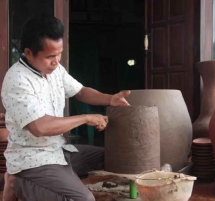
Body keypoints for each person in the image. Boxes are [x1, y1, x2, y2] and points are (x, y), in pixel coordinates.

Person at [1, 15, 131, 201]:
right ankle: (18, 182)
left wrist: (111, 99)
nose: (56, 61)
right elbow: (40, 127)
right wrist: (86, 118)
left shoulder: (55, 70)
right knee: (83, 199)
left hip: (58, 151)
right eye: (50, 56)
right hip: (31, 159)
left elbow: (80, 91)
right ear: (29, 53)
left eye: (59, 53)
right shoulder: (17, 80)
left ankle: (50, 181)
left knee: (115, 156)